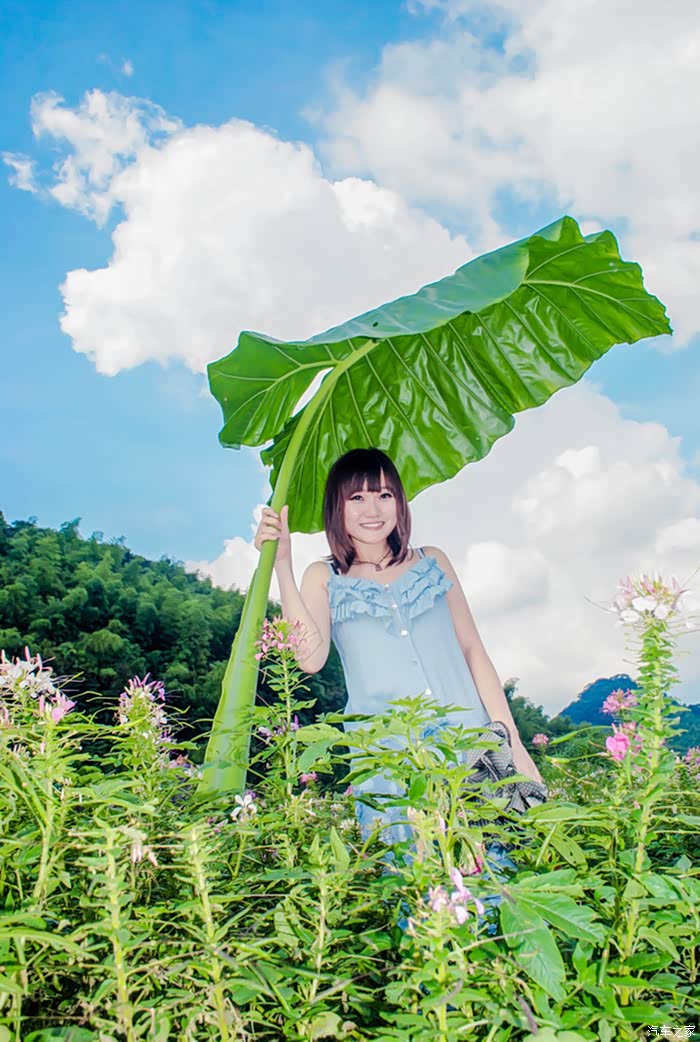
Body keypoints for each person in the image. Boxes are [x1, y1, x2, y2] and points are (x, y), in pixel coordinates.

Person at [254, 447, 543, 846]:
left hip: (470, 748)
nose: (372, 509)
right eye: (357, 497)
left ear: (399, 502)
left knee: (493, 863)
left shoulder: (432, 561)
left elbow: (472, 650)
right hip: (390, 761)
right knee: (414, 873)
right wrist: (282, 564)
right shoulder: (324, 576)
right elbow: (309, 659)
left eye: (384, 495)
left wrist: (512, 742)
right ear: (337, 507)